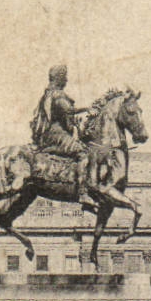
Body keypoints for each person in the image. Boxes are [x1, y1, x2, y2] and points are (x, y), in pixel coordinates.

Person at [30, 64, 94, 207]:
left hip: (56, 133)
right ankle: (83, 193)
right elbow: (68, 110)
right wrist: (88, 108)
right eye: (64, 77)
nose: (66, 80)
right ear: (59, 78)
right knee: (83, 153)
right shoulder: (56, 94)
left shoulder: (49, 93)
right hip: (56, 134)